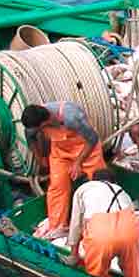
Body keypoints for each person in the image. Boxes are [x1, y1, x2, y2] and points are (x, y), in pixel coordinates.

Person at [21, 101, 106, 237]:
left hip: (87, 150)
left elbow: (93, 139)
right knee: (57, 187)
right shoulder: (33, 122)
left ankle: (102, 223)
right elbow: (30, 137)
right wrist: (39, 158)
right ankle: (57, 227)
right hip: (60, 153)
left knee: (99, 185)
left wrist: (78, 163)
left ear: (44, 124)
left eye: (39, 129)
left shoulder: (71, 116)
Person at [65, 170, 139, 277]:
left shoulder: (84, 189)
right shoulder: (122, 191)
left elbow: (76, 223)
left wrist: (74, 254)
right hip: (129, 229)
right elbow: (133, 217)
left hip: (100, 231)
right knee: (134, 276)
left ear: (93, 180)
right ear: (114, 181)